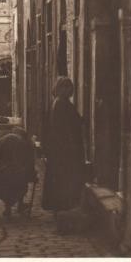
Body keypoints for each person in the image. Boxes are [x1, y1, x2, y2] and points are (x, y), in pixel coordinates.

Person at [42, 76, 85, 215]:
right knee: (64, 178)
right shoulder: (62, 104)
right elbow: (68, 127)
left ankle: (59, 206)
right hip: (64, 149)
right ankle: (62, 206)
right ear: (61, 89)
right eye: (68, 88)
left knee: (59, 178)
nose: (70, 91)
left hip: (58, 149)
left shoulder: (58, 103)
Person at [0, 127, 37, 218]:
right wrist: (32, 175)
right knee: (22, 182)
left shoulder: (1, 140)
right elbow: (27, 164)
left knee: (6, 184)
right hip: (16, 175)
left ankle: (8, 208)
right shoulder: (24, 143)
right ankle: (19, 205)